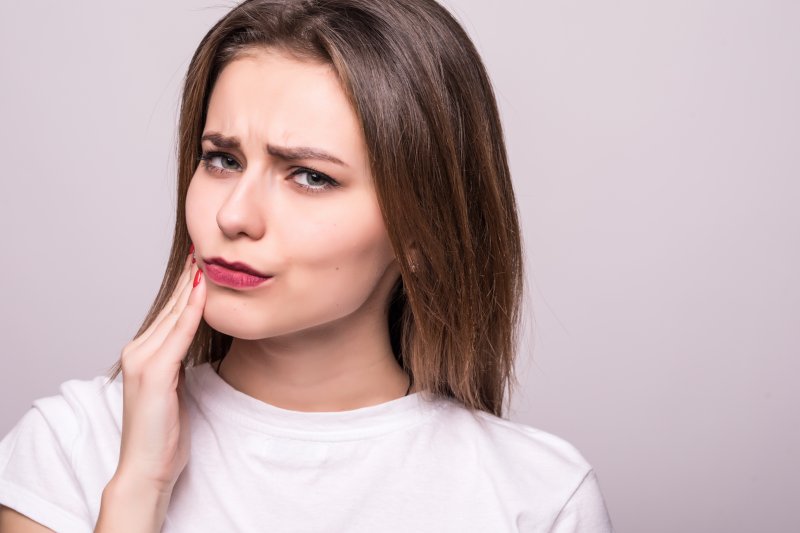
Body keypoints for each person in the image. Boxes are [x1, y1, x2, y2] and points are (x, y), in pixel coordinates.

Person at [0, 0, 613, 531]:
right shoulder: (72, 448)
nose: (235, 215)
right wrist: (138, 491)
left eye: (311, 176)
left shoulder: (537, 499)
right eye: (221, 160)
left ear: (421, 230)